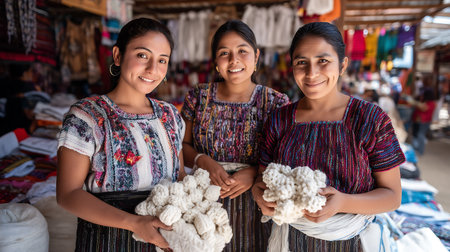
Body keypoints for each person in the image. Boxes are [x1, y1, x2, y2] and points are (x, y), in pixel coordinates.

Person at [252, 22, 405, 251]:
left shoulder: (369, 119)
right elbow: (263, 181)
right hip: (289, 242)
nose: (312, 73)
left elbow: (392, 196)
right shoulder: (279, 120)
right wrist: (260, 196)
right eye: (301, 62)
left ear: (342, 65)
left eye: (323, 61)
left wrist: (344, 202)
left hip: (352, 244)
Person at [56, 18, 185, 251]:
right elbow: (68, 194)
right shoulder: (87, 116)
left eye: (162, 60)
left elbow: (180, 178)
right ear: (117, 56)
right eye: (142, 55)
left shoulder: (170, 116)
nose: (153, 69)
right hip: (106, 241)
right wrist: (135, 223)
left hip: (162, 244)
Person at [181, 20, 289, 251]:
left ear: (256, 56)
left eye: (242, 51)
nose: (234, 60)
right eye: (224, 53)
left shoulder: (276, 103)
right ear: (215, 61)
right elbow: (182, 146)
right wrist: (204, 161)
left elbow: (285, 158)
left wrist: (254, 173)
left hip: (257, 204)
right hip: (204, 205)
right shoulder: (199, 97)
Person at [410, 88, 436, 155]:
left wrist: (415, 103)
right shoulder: (425, 101)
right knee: (416, 135)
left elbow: (424, 108)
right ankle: (416, 149)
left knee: (420, 135)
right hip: (418, 121)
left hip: (424, 122)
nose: (422, 96)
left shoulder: (431, 103)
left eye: (423, 95)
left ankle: (420, 151)